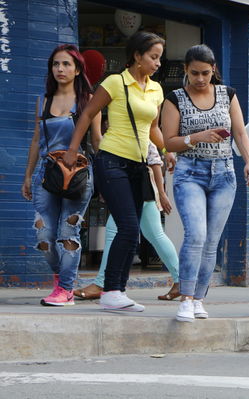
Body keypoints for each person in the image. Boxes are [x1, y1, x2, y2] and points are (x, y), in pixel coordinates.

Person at [64, 31, 170, 312]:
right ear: (137, 56)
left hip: (139, 165)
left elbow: (154, 129)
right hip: (112, 160)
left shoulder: (156, 90)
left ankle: (116, 291)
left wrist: (169, 149)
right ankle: (111, 289)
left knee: (130, 230)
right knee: (129, 226)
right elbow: (87, 114)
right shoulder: (115, 82)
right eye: (153, 57)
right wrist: (73, 149)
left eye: (160, 57)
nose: (158, 63)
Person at [161, 44, 249, 322]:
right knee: (196, 235)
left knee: (212, 241)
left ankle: (200, 298)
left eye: (205, 73)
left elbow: (239, 131)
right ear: (186, 71)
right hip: (190, 173)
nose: (200, 79)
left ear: (213, 69)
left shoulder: (228, 95)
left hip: (224, 173)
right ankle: (186, 298)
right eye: (194, 73)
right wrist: (197, 136)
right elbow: (169, 141)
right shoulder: (174, 98)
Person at [21, 44, 101, 306]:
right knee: (44, 236)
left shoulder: (88, 100)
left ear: (77, 69)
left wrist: (108, 176)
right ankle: (61, 279)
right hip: (46, 175)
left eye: (66, 64)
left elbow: (97, 141)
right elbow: (35, 141)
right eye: (56, 64)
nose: (60, 69)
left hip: (78, 175)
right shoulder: (43, 101)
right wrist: (27, 176)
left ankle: (66, 290)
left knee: (68, 233)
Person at [74, 143, 179, 301]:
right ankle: (182, 280)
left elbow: (155, 162)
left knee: (117, 231)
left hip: (140, 187)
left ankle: (102, 283)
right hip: (131, 188)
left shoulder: (139, 133)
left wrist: (162, 194)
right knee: (155, 235)